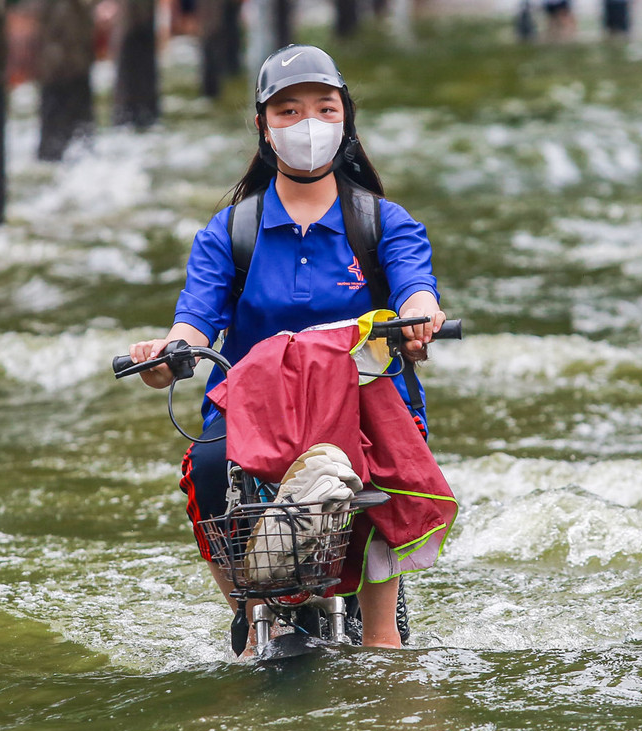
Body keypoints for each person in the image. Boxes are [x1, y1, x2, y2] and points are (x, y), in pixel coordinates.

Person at [125, 44, 446, 650]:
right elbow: (195, 321)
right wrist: (167, 356)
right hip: (256, 408)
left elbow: (416, 287)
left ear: (346, 119)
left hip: (364, 399)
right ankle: (247, 614)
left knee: (384, 462)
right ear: (264, 126)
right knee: (209, 468)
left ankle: (383, 638)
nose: (309, 124)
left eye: (325, 108)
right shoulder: (230, 232)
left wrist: (420, 316)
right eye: (289, 111)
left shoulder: (382, 222)